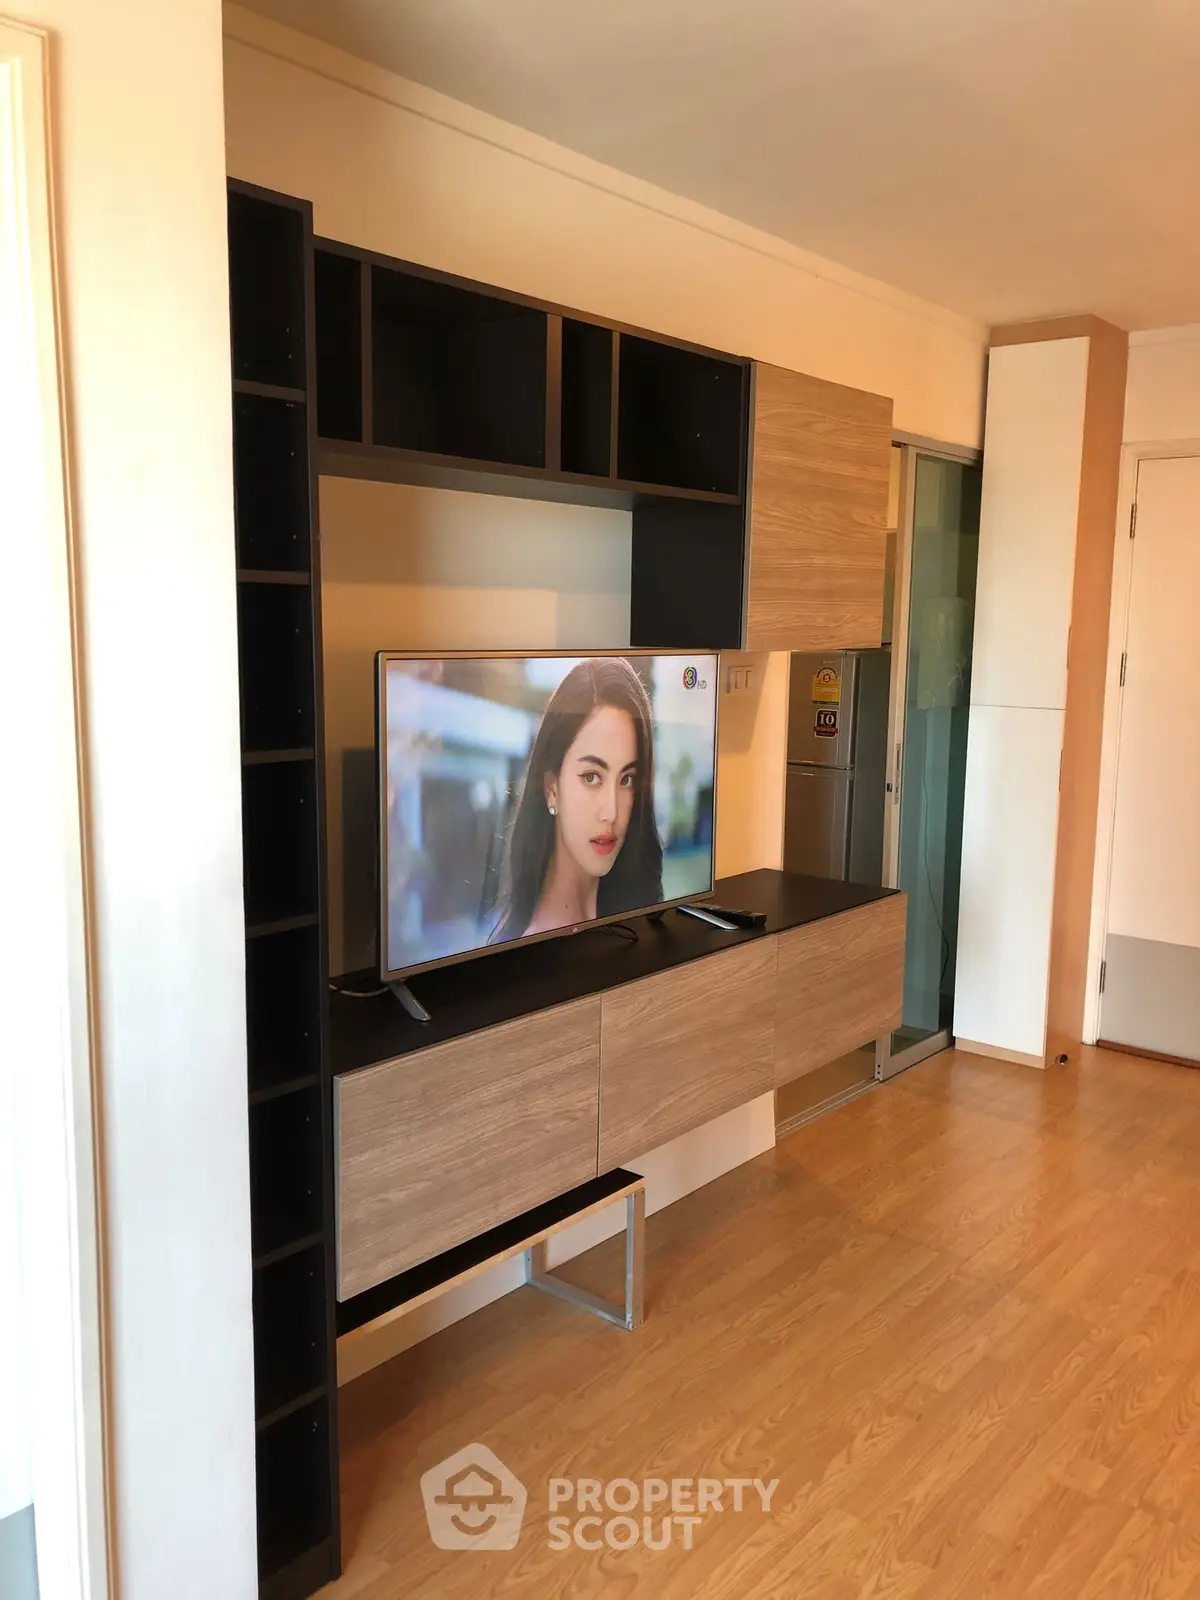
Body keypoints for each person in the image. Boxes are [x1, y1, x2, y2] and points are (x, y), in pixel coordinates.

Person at [491, 658, 663, 943]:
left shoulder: (633, 916)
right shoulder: (525, 949)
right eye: (591, 777)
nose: (611, 812)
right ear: (551, 788)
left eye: (626, 779)